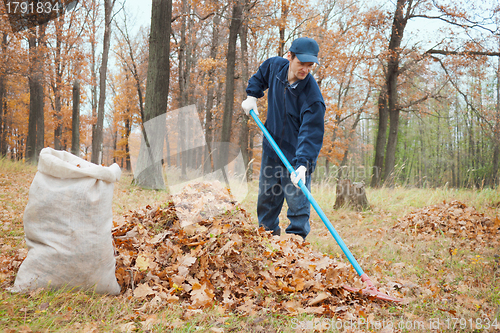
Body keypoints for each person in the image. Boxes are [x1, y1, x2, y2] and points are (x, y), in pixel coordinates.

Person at [241, 37, 326, 240]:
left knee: (298, 206)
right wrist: (252, 96)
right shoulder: (274, 67)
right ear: (289, 56)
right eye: (301, 63)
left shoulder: (312, 97)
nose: (305, 69)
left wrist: (303, 165)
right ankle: (267, 241)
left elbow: (311, 132)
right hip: (272, 148)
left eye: (309, 65)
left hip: (296, 158)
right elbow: (259, 78)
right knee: (267, 200)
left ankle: (295, 250)